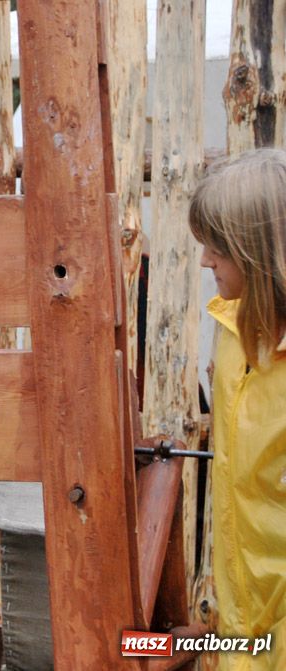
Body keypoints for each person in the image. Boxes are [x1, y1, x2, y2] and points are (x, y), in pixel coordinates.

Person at [188, 148, 286, 671]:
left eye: (216, 248)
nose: (205, 261)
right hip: (242, 638)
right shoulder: (233, 331)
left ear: (258, 253)